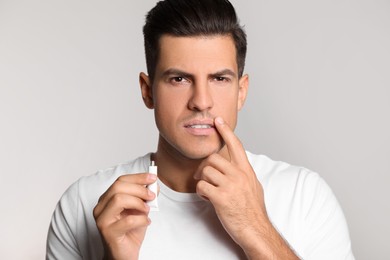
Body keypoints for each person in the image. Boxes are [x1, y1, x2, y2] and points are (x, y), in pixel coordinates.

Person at [46, 0, 355, 259]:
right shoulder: (83, 202)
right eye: (179, 79)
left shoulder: (304, 195)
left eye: (219, 78)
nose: (201, 102)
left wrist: (255, 228)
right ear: (147, 90)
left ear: (241, 92)